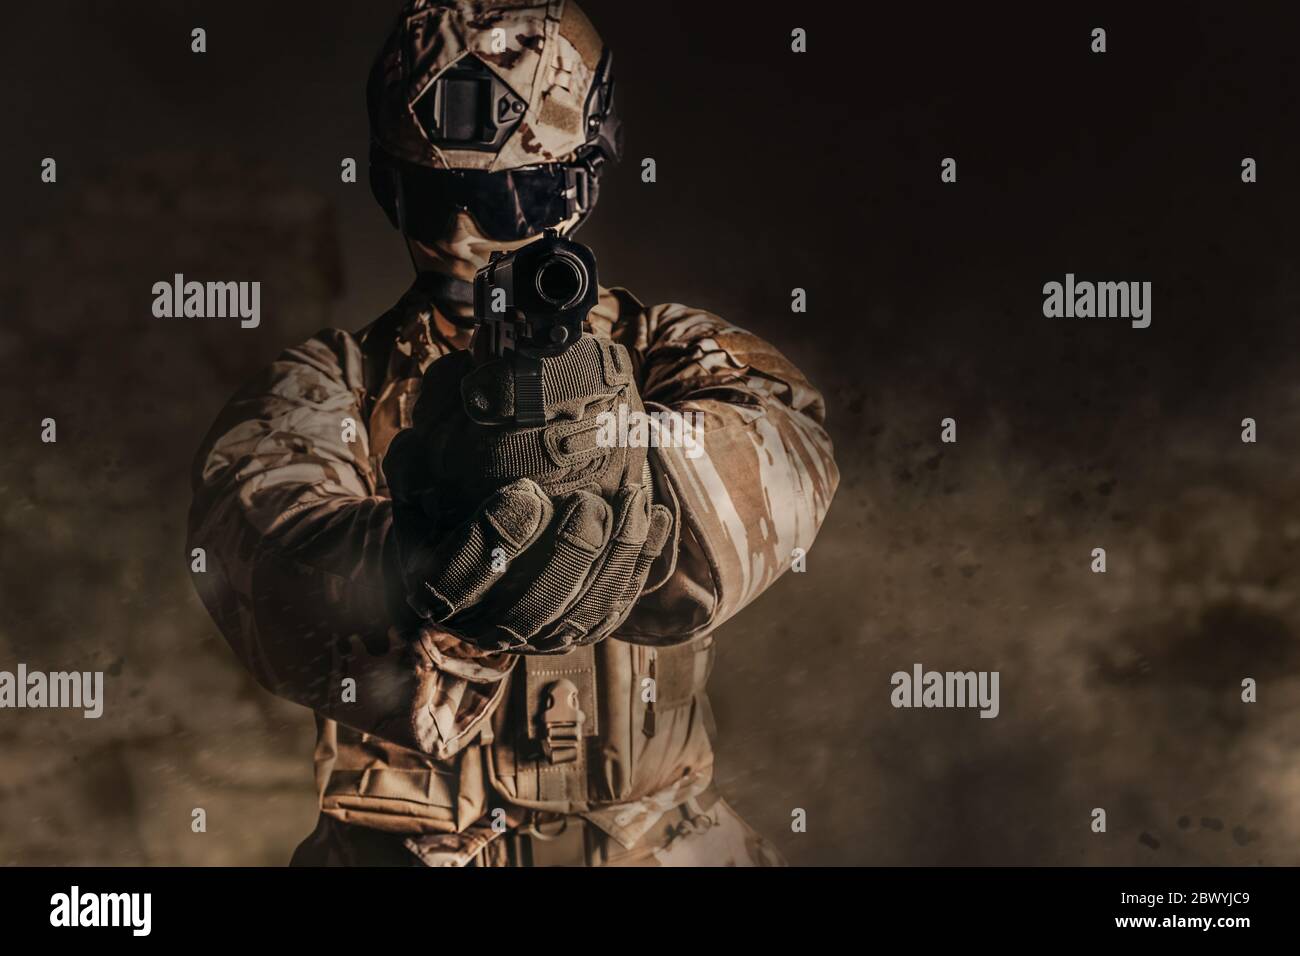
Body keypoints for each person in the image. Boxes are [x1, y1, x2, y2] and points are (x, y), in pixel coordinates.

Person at [187, 0, 838, 866]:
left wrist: (620, 475)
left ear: (582, 184)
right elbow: (259, 553)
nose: (461, 239)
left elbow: (786, 456)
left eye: (507, 198)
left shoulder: (672, 356)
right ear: (387, 187)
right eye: (430, 196)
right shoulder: (329, 383)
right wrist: (429, 559)